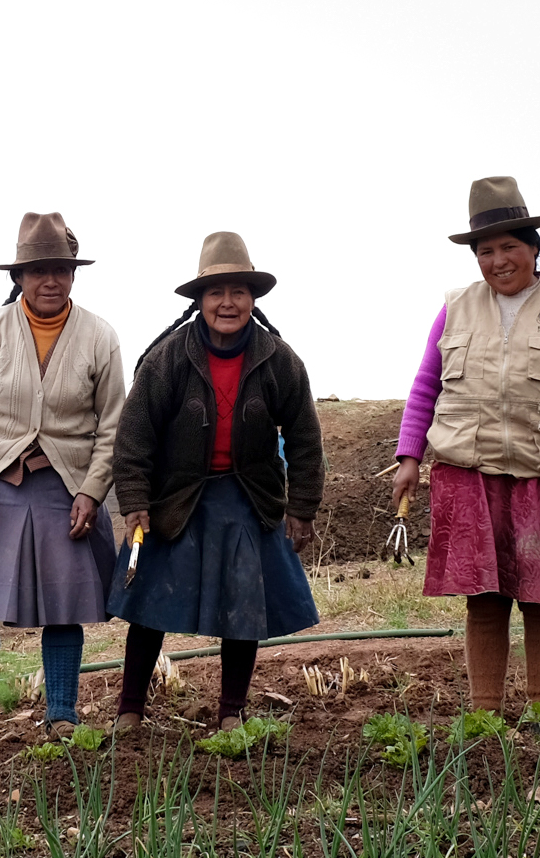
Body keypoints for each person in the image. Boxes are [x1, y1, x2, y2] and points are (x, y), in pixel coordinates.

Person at [391, 177, 540, 715]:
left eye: (510, 247)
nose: (498, 261)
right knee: (485, 600)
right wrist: (409, 456)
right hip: (469, 472)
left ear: (534, 249)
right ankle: (484, 712)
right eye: (486, 251)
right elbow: (426, 385)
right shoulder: (454, 308)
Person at [105, 232, 323, 733]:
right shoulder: (166, 360)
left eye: (239, 291)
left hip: (247, 499)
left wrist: (302, 506)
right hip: (176, 498)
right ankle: (130, 710)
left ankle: (231, 712)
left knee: (243, 606)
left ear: (253, 298)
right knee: (150, 604)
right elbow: (134, 437)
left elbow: (306, 440)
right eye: (216, 292)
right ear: (199, 301)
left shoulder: (280, 361)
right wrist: (135, 501)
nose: (228, 302)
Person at [0, 212, 126, 740]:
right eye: (38, 270)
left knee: (63, 606)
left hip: (65, 489)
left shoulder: (98, 336)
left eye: (61, 270)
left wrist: (92, 489)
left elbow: (113, 426)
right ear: (19, 277)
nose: (50, 280)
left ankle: (62, 714)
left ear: (73, 275)